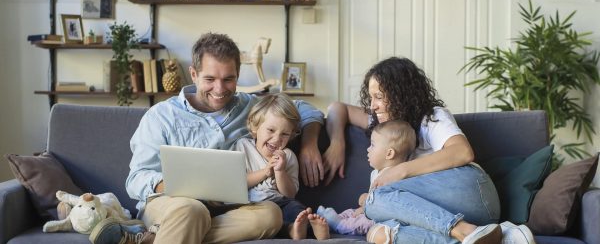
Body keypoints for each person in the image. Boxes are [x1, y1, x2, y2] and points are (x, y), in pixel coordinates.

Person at [91, 33, 325, 244]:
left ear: (238, 75)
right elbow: (136, 179)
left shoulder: (251, 106)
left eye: (228, 79)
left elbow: (306, 110)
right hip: (173, 205)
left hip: (230, 209)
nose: (220, 89)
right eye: (210, 79)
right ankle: (173, 227)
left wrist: (309, 145)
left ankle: (156, 237)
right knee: (192, 210)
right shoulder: (161, 116)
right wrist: (180, 184)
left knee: (270, 215)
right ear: (193, 74)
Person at [323, 57, 535, 244]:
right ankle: (499, 237)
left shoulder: (431, 117)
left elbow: (463, 152)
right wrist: (336, 144)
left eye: (379, 97)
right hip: (457, 215)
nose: (373, 106)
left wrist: (400, 171)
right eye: (371, 98)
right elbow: (337, 109)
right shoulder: (384, 125)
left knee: (375, 199)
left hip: (473, 193)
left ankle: (463, 230)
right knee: (379, 232)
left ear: (400, 95)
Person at [235, 93, 330, 240]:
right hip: (250, 204)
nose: (277, 139)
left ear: (292, 135)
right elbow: (237, 182)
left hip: (281, 202)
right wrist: (265, 172)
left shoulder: (288, 156)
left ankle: (311, 230)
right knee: (261, 217)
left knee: (297, 209)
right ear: (255, 127)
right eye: (271, 130)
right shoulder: (243, 146)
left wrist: (280, 172)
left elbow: (290, 193)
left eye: (285, 134)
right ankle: (292, 230)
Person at [317, 120, 416, 236]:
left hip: (382, 219)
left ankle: (341, 225)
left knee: (363, 222)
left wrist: (366, 200)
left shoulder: (394, 177)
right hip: (370, 211)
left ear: (389, 154)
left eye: (373, 145)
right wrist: (364, 206)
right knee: (352, 212)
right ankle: (332, 219)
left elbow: (385, 205)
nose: (368, 149)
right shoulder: (376, 173)